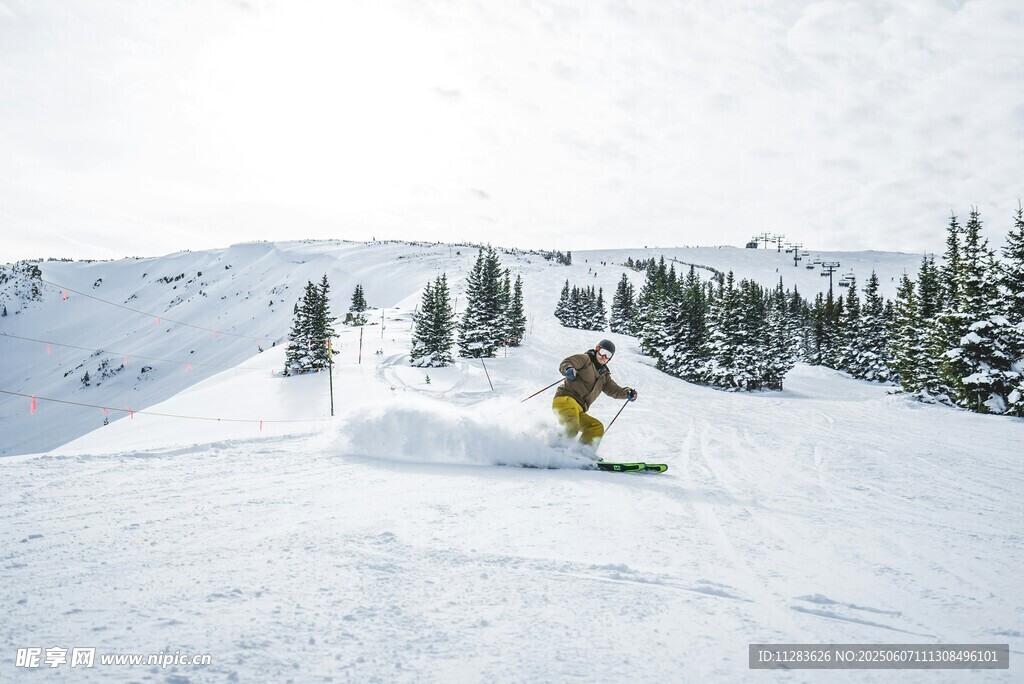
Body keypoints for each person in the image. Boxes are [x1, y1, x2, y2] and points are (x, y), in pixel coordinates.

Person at [552, 339, 637, 454]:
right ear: (597, 349)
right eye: (602, 352)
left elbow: (615, 390)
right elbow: (567, 362)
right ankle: (553, 451)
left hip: (579, 409)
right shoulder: (585, 359)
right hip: (565, 399)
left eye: (608, 355)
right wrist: (569, 370)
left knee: (595, 427)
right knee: (572, 426)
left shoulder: (604, 376)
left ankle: (581, 454)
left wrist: (627, 392)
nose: (604, 357)